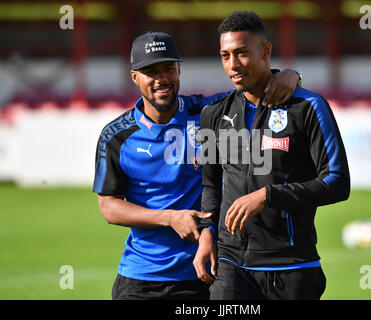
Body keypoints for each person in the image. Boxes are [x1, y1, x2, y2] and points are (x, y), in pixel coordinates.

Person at [92, 31, 301, 300]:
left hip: (205, 274)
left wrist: (291, 74)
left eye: (168, 68)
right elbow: (109, 207)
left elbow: (256, 90)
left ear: (179, 69)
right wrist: (169, 218)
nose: (162, 79)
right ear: (135, 76)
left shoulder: (209, 114)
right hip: (141, 278)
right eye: (150, 72)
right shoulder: (116, 135)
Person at [195, 11, 350, 300]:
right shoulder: (213, 114)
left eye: (241, 53)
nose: (232, 65)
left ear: (265, 51)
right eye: (225, 56)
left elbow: (337, 182)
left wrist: (268, 195)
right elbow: (210, 185)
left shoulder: (309, 107)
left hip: (292, 264)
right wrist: (207, 232)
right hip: (232, 264)